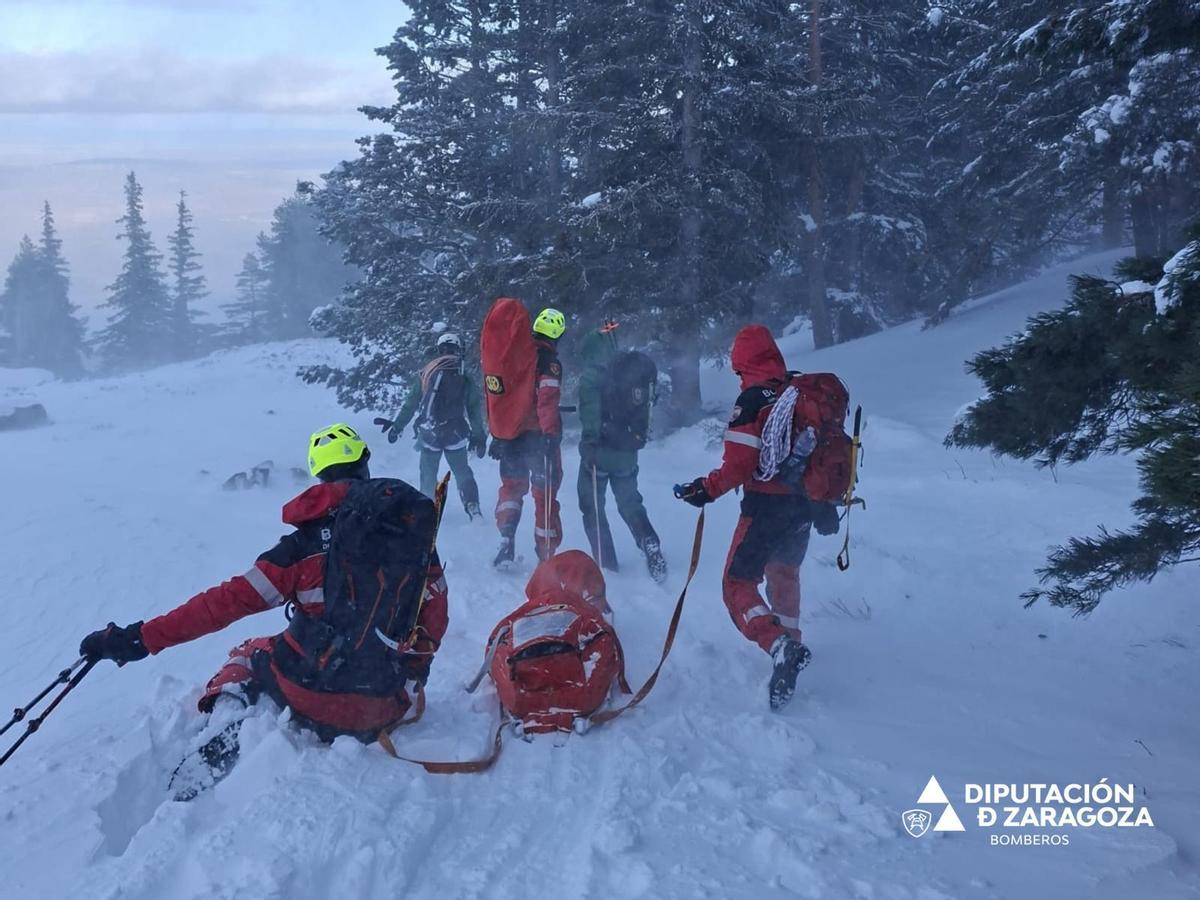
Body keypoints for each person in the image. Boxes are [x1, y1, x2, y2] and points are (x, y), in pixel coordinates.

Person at [79, 424, 449, 796]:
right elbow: (435, 615)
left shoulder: (299, 549)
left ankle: (226, 719)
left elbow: (221, 604)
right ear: (364, 466)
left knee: (249, 652)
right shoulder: (411, 539)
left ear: (320, 475)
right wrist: (412, 675)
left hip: (309, 694)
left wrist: (140, 638)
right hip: (382, 706)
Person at [675, 325, 839, 711]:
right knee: (784, 574)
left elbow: (740, 466)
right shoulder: (797, 391)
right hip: (805, 506)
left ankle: (778, 645)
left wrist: (704, 489)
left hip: (767, 506)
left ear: (741, 362)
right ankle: (791, 643)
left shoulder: (753, 400)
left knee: (737, 584)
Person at [576, 321, 667, 582]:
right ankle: (648, 540)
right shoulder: (629, 369)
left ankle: (608, 565)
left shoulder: (592, 375)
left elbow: (590, 414)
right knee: (629, 501)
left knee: (592, 506)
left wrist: (589, 443)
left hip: (600, 453)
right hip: (627, 450)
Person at [380, 332, 487, 518]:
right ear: (457, 350)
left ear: (439, 349)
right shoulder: (464, 375)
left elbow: (411, 403)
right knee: (462, 472)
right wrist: (479, 436)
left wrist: (398, 426)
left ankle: (426, 509)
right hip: (456, 433)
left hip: (430, 433)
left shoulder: (427, 373)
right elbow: (473, 409)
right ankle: (472, 504)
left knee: (428, 473)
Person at [491, 307, 566, 568]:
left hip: (511, 437)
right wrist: (551, 435)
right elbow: (546, 401)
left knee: (512, 489)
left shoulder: (514, 356)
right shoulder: (548, 362)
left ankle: (506, 540)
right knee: (544, 496)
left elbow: (500, 399)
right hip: (538, 439)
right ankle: (546, 557)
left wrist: (498, 434)